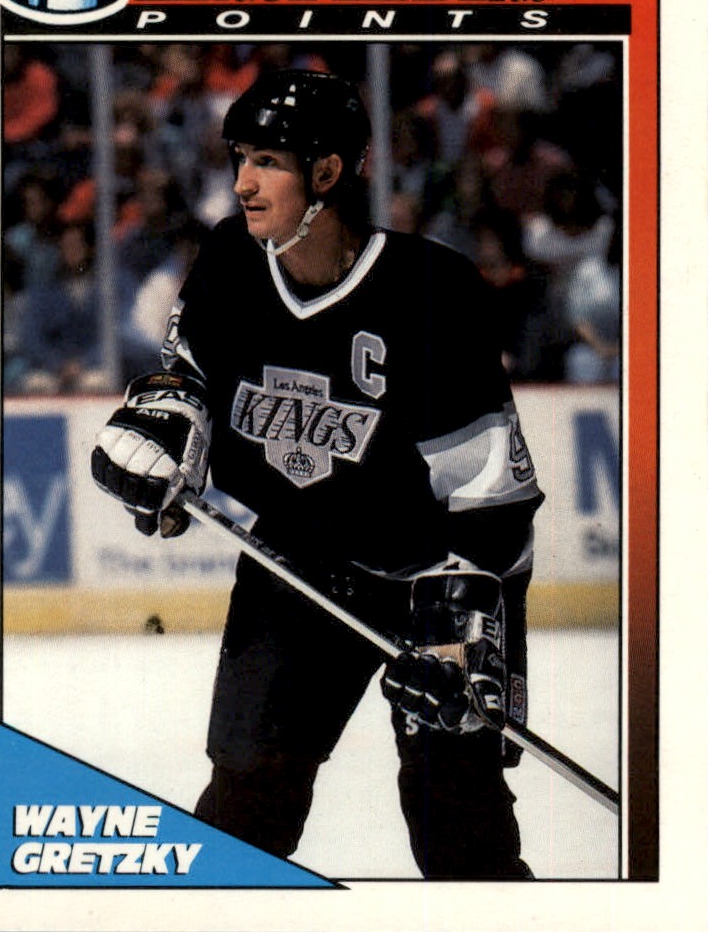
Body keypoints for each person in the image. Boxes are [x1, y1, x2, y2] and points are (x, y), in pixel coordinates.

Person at [91, 70, 544, 880]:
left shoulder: (429, 291)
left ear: (328, 172)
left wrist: (458, 639)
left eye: (267, 161)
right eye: (240, 158)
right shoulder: (229, 261)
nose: (242, 181)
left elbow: (491, 498)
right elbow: (185, 381)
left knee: (457, 828)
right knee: (243, 809)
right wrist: (160, 436)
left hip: (432, 578)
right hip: (295, 564)